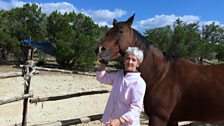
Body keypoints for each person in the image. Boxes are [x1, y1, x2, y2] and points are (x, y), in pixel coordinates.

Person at [96, 47, 146, 126]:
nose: (130, 62)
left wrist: (120, 120)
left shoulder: (139, 82)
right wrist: (104, 62)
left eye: (133, 60)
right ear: (124, 60)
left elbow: (136, 108)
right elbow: (101, 77)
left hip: (126, 124)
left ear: (138, 64)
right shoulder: (118, 75)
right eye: (128, 58)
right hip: (110, 121)